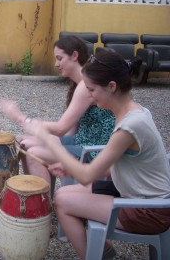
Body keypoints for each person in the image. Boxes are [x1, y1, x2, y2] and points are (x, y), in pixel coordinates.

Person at [21, 51, 170, 259]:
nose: (89, 95)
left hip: (149, 210)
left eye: (92, 90)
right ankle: (103, 252)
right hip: (134, 192)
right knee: (62, 196)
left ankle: (93, 255)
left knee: (64, 203)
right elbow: (121, 164)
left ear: (111, 86)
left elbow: (86, 175)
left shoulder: (129, 126)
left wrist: (48, 141)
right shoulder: (133, 111)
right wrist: (68, 167)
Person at [0, 36, 115, 183]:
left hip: (95, 152)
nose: (56, 64)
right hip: (81, 142)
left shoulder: (86, 85)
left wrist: (20, 117)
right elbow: (71, 131)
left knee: (34, 153)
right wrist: (40, 138)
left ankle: (42, 202)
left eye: (60, 58)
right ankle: (37, 198)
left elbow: (61, 129)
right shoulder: (80, 85)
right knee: (25, 143)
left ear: (74, 56)